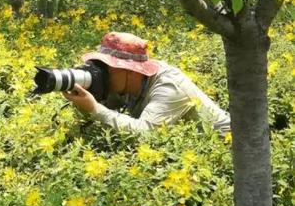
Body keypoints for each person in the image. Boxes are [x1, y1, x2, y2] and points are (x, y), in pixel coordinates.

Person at [62, 31, 231, 134]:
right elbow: (107, 109)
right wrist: (86, 95)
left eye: (107, 67)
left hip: (227, 148)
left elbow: (146, 133)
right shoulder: (126, 82)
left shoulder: (168, 86)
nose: (101, 73)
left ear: (130, 69)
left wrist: (95, 108)